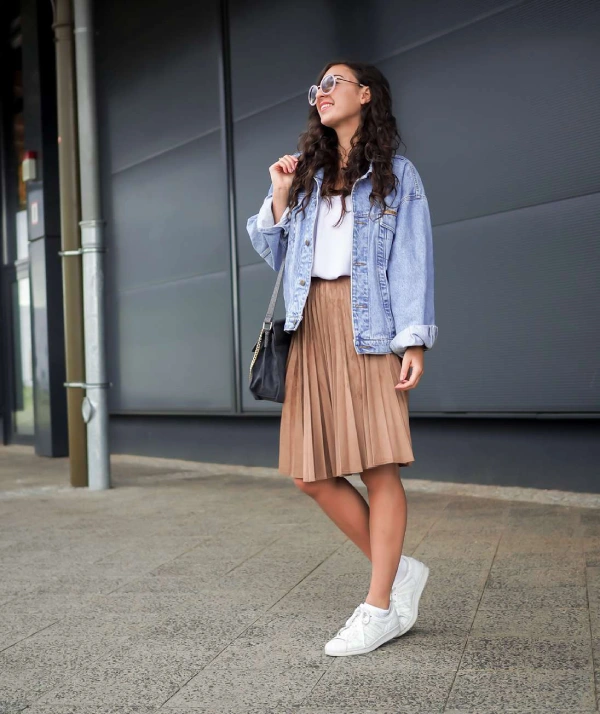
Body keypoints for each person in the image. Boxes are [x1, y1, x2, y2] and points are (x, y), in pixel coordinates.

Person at [246, 60, 438, 657]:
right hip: (313, 326)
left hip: (370, 325)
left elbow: (412, 256)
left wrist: (413, 337)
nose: (321, 93)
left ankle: (379, 605)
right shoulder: (304, 173)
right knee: (311, 473)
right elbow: (274, 254)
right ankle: (401, 570)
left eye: (333, 82)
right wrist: (278, 199)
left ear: (365, 94)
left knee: (378, 466)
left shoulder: (396, 175)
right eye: (316, 88)